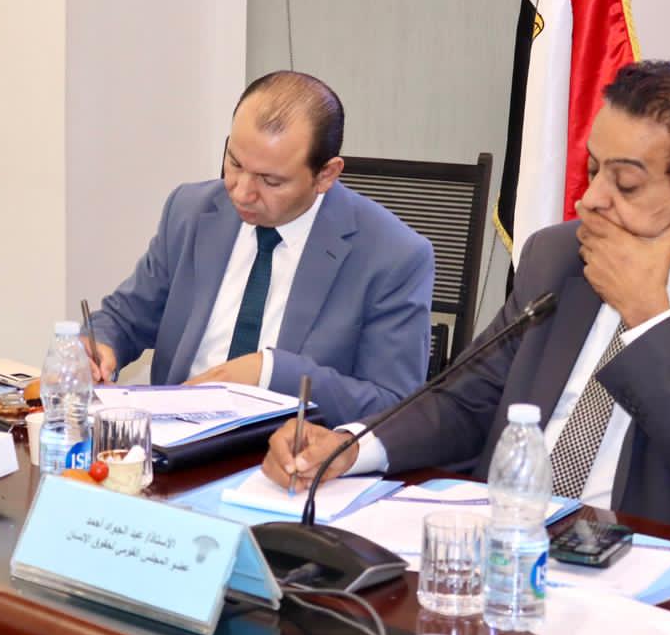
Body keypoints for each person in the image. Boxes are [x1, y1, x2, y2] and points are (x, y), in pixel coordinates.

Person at [264, 60, 670, 528]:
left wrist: (647, 317)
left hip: (646, 561)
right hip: (504, 537)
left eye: (626, 182)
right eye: (593, 169)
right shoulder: (558, 255)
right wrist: (349, 447)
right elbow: (464, 401)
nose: (591, 200)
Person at [87, 70, 435, 425]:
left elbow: (394, 406)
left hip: (290, 450)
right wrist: (100, 347)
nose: (241, 192)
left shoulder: (394, 256)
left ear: (326, 175)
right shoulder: (191, 211)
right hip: (173, 440)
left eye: (270, 180)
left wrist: (269, 372)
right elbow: (124, 319)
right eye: (235, 163)